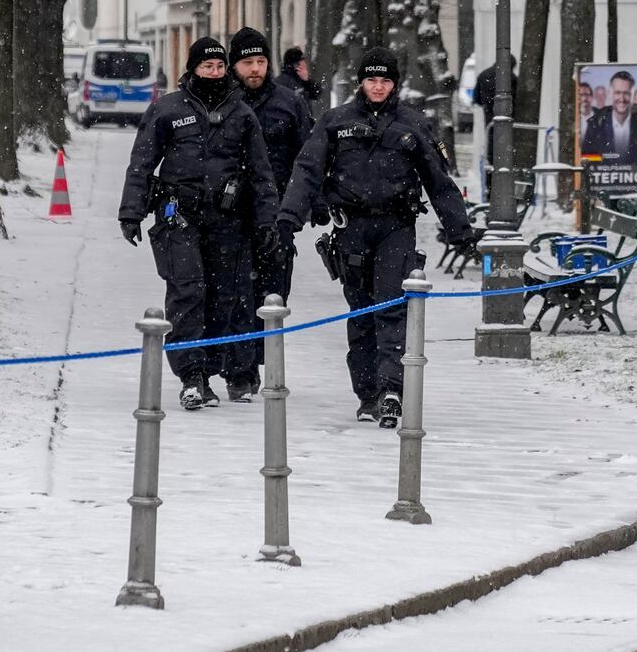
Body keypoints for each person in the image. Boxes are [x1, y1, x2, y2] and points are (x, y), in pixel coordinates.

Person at [278, 47, 476, 427]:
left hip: (395, 228)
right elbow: (306, 171)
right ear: (361, 83)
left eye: (385, 80)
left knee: (391, 307)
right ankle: (367, 393)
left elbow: (439, 182)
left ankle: (390, 390)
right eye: (372, 79)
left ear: (394, 84)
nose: (378, 86)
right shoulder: (336, 122)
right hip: (351, 229)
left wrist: (459, 230)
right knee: (361, 313)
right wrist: (289, 218)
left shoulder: (413, 124)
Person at [119, 37, 279, 409]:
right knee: (187, 293)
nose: (215, 73)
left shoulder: (241, 115)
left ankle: (223, 370)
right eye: (207, 67)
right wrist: (131, 212)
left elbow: (261, 174)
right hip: (179, 217)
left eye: (220, 67)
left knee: (226, 296)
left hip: (227, 220)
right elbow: (141, 164)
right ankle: (191, 375)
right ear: (193, 69)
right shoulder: (167, 110)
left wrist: (267, 219)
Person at [228, 28, 315, 377]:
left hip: (278, 214)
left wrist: (312, 203)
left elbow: (307, 158)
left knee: (273, 292)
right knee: (235, 293)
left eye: (261, 61)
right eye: (247, 62)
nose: (255, 69)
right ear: (234, 65)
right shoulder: (224, 103)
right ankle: (240, 369)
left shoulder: (290, 103)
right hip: (230, 215)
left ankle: (264, 359)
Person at [581, 70, 637, 165]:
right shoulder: (595, 124)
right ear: (610, 93)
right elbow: (586, 158)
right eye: (617, 92)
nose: (622, 98)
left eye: (626, 93)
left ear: (633, 95)